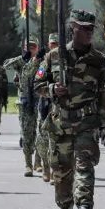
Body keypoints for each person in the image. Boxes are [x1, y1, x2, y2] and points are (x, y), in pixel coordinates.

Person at [33, 10, 105, 209]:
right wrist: (52, 89)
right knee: (62, 174)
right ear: (72, 28)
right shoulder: (54, 56)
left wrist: (104, 123)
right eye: (83, 28)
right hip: (60, 125)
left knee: (85, 168)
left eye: (91, 29)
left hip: (86, 124)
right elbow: (37, 86)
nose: (88, 32)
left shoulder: (99, 60)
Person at [4, 38, 42, 175]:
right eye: (28, 47)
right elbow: (5, 66)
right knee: (27, 133)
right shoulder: (20, 61)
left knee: (40, 133)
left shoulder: (41, 60)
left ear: (37, 48)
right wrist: (21, 58)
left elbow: (44, 74)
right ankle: (28, 164)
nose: (31, 49)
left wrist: (40, 59)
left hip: (39, 101)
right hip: (25, 101)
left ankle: (38, 161)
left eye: (33, 46)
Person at [35, 33, 60, 183]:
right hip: (45, 105)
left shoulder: (65, 61)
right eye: (52, 44)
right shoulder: (45, 62)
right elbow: (37, 83)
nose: (54, 46)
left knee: (57, 142)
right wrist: (51, 89)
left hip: (59, 107)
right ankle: (45, 167)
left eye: (56, 44)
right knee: (43, 140)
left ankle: (54, 170)